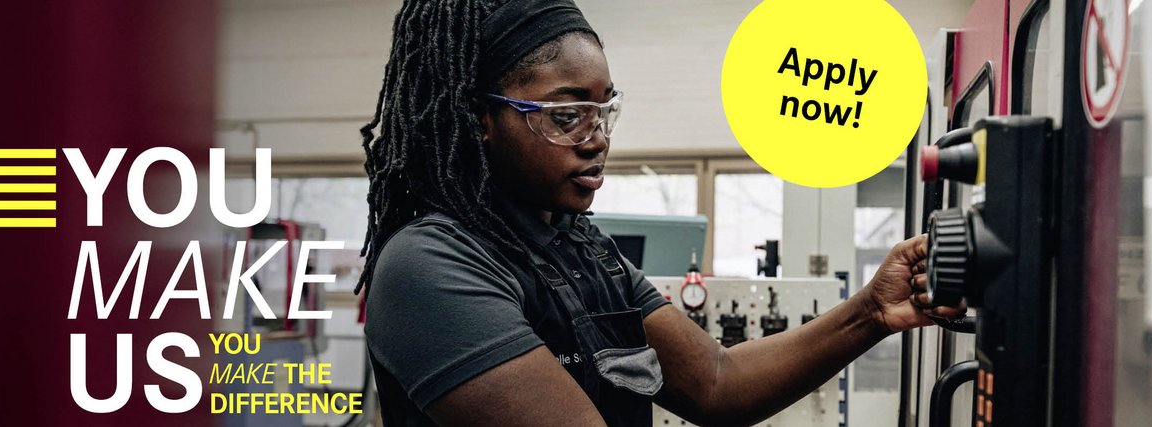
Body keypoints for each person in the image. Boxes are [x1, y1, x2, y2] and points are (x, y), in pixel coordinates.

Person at [356, 1, 962, 426]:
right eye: (567, 116)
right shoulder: (432, 265)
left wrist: (872, 311)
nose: (597, 139)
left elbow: (717, 382)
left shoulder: (581, 249)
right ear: (477, 121)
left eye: (605, 112)